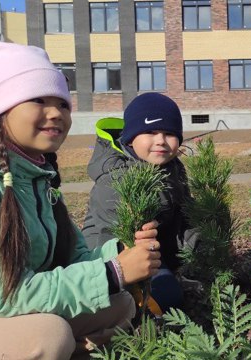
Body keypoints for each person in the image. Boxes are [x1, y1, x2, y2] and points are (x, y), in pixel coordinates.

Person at [0, 42, 161, 359]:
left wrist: (120, 255)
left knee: (118, 305)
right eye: (38, 100)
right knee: (48, 336)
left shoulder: (36, 180)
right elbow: (8, 294)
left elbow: (72, 262)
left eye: (62, 104)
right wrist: (113, 272)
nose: (55, 113)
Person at [82, 92, 195, 315]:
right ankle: (136, 316)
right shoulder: (116, 175)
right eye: (151, 132)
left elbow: (183, 217)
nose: (161, 140)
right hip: (111, 256)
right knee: (167, 295)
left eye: (170, 133)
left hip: (154, 250)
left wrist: (200, 247)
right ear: (130, 138)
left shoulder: (173, 168)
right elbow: (121, 235)